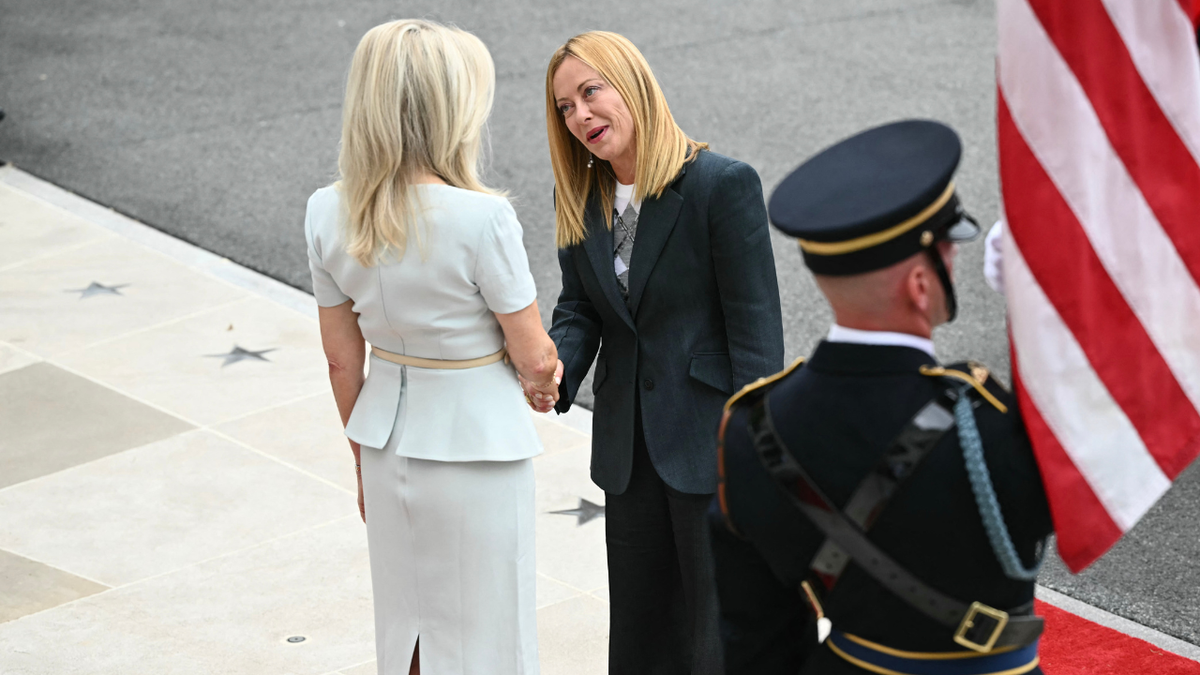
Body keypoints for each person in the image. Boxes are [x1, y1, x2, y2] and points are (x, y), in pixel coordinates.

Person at [710, 120, 1054, 675]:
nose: (957, 259)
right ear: (920, 285)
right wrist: (1046, 307)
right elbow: (1097, 473)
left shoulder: (749, 431)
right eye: (949, 248)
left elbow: (753, 637)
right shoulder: (986, 425)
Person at [526, 30, 785, 675]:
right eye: (565, 107)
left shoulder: (720, 184)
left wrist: (756, 459)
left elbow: (757, 334)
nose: (580, 114)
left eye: (592, 92)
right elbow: (581, 306)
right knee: (642, 635)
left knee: (717, 632)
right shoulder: (577, 196)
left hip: (710, 445)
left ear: (632, 85)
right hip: (628, 450)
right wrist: (554, 370)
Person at [307, 20, 558, 675]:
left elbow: (341, 360)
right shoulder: (483, 218)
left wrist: (363, 455)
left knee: (407, 626)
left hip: (387, 443)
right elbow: (534, 355)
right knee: (490, 630)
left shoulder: (327, 212)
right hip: (479, 444)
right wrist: (544, 382)